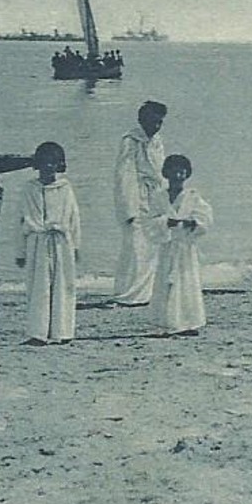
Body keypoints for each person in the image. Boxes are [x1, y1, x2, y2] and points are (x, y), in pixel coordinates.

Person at [16, 141, 82, 345]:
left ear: (59, 164)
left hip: (61, 241)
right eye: (44, 162)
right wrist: (20, 251)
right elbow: (20, 220)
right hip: (37, 241)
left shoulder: (65, 188)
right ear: (37, 164)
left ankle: (62, 332)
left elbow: (74, 218)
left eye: (53, 163)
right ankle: (38, 333)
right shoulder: (29, 188)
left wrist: (76, 246)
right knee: (38, 287)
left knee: (63, 285)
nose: (48, 167)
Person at [108, 100, 168, 306]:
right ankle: (129, 293)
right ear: (142, 120)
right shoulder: (130, 141)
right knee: (134, 246)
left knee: (153, 245)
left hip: (156, 198)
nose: (156, 127)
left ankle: (149, 292)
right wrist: (129, 209)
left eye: (160, 122)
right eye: (153, 122)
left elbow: (161, 172)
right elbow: (124, 175)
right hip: (137, 197)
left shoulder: (157, 140)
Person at [150, 154, 212, 336]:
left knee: (186, 282)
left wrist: (193, 223)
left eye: (182, 171)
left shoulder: (193, 197)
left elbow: (206, 217)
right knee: (166, 282)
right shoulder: (159, 197)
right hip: (168, 246)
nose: (178, 175)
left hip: (185, 247)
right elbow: (149, 221)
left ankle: (188, 322)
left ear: (187, 174)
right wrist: (164, 223)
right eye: (174, 170)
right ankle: (166, 322)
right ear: (166, 173)